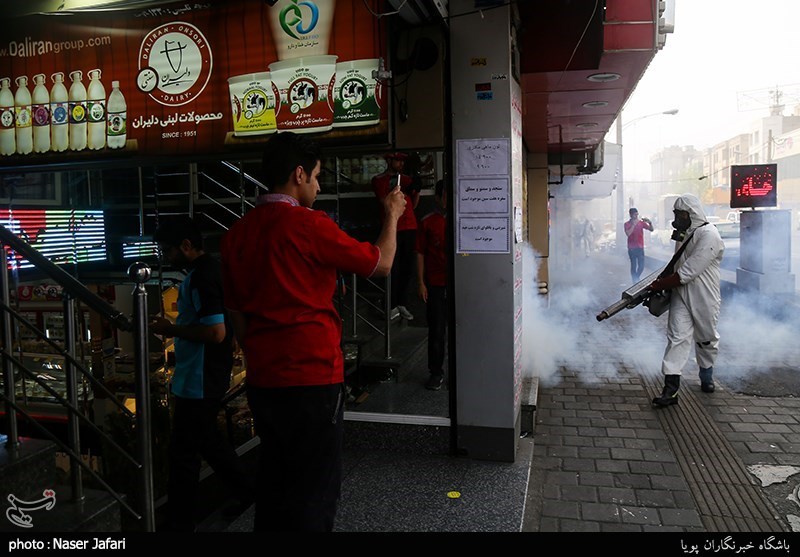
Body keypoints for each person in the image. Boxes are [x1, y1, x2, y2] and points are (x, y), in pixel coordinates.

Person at [220, 131, 406, 532]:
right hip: (312, 378)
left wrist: (261, 354)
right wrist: (391, 215)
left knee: (275, 482)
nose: (319, 187)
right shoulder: (309, 224)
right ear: (299, 175)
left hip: (264, 381)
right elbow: (381, 263)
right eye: (317, 176)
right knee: (315, 491)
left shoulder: (236, 234)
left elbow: (236, 314)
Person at [149, 215, 253, 532]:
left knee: (183, 454)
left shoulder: (199, 278)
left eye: (167, 250)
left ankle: (179, 523)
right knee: (210, 443)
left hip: (199, 378)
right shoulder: (215, 269)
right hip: (211, 374)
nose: (165, 257)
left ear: (186, 245)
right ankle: (249, 496)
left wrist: (169, 329)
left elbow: (215, 333)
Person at [647, 194, 724, 407]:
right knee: (677, 338)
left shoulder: (709, 234)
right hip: (681, 294)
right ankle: (670, 390)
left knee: (706, 338)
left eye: (681, 214)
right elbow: (677, 264)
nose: (677, 218)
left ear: (692, 213)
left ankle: (706, 374)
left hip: (704, 296)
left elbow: (688, 271)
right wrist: (660, 283)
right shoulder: (685, 234)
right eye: (676, 214)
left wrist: (659, 285)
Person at [372, 152, 420, 321]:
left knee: (407, 267)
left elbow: (414, 202)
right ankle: (391, 305)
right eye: (398, 160)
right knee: (393, 267)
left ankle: (402, 303)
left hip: (410, 225)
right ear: (389, 160)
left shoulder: (408, 179)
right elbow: (384, 202)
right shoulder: (379, 180)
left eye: (402, 161)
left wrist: (415, 190)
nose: (401, 164)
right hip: (392, 228)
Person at [416, 179, 448, 391]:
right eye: (445, 195)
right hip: (435, 284)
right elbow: (419, 253)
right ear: (437, 198)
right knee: (436, 330)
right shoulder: (427, 221)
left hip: (460, 284)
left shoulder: (463, 219)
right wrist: (420, 282)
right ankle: (435, 372)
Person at [624, 207, 654, 283]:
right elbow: (628, 234)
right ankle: (635, 281)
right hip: (631, 248)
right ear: (630, 215)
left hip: (640, 247)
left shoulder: (641, 223)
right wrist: (633, 225)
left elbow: (651, 229)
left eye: (637, 214)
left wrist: (650, 223)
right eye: (634, 215)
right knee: (633, 265)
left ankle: (636, 278)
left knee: (641, 266)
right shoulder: (627, 224)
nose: (636, 216)